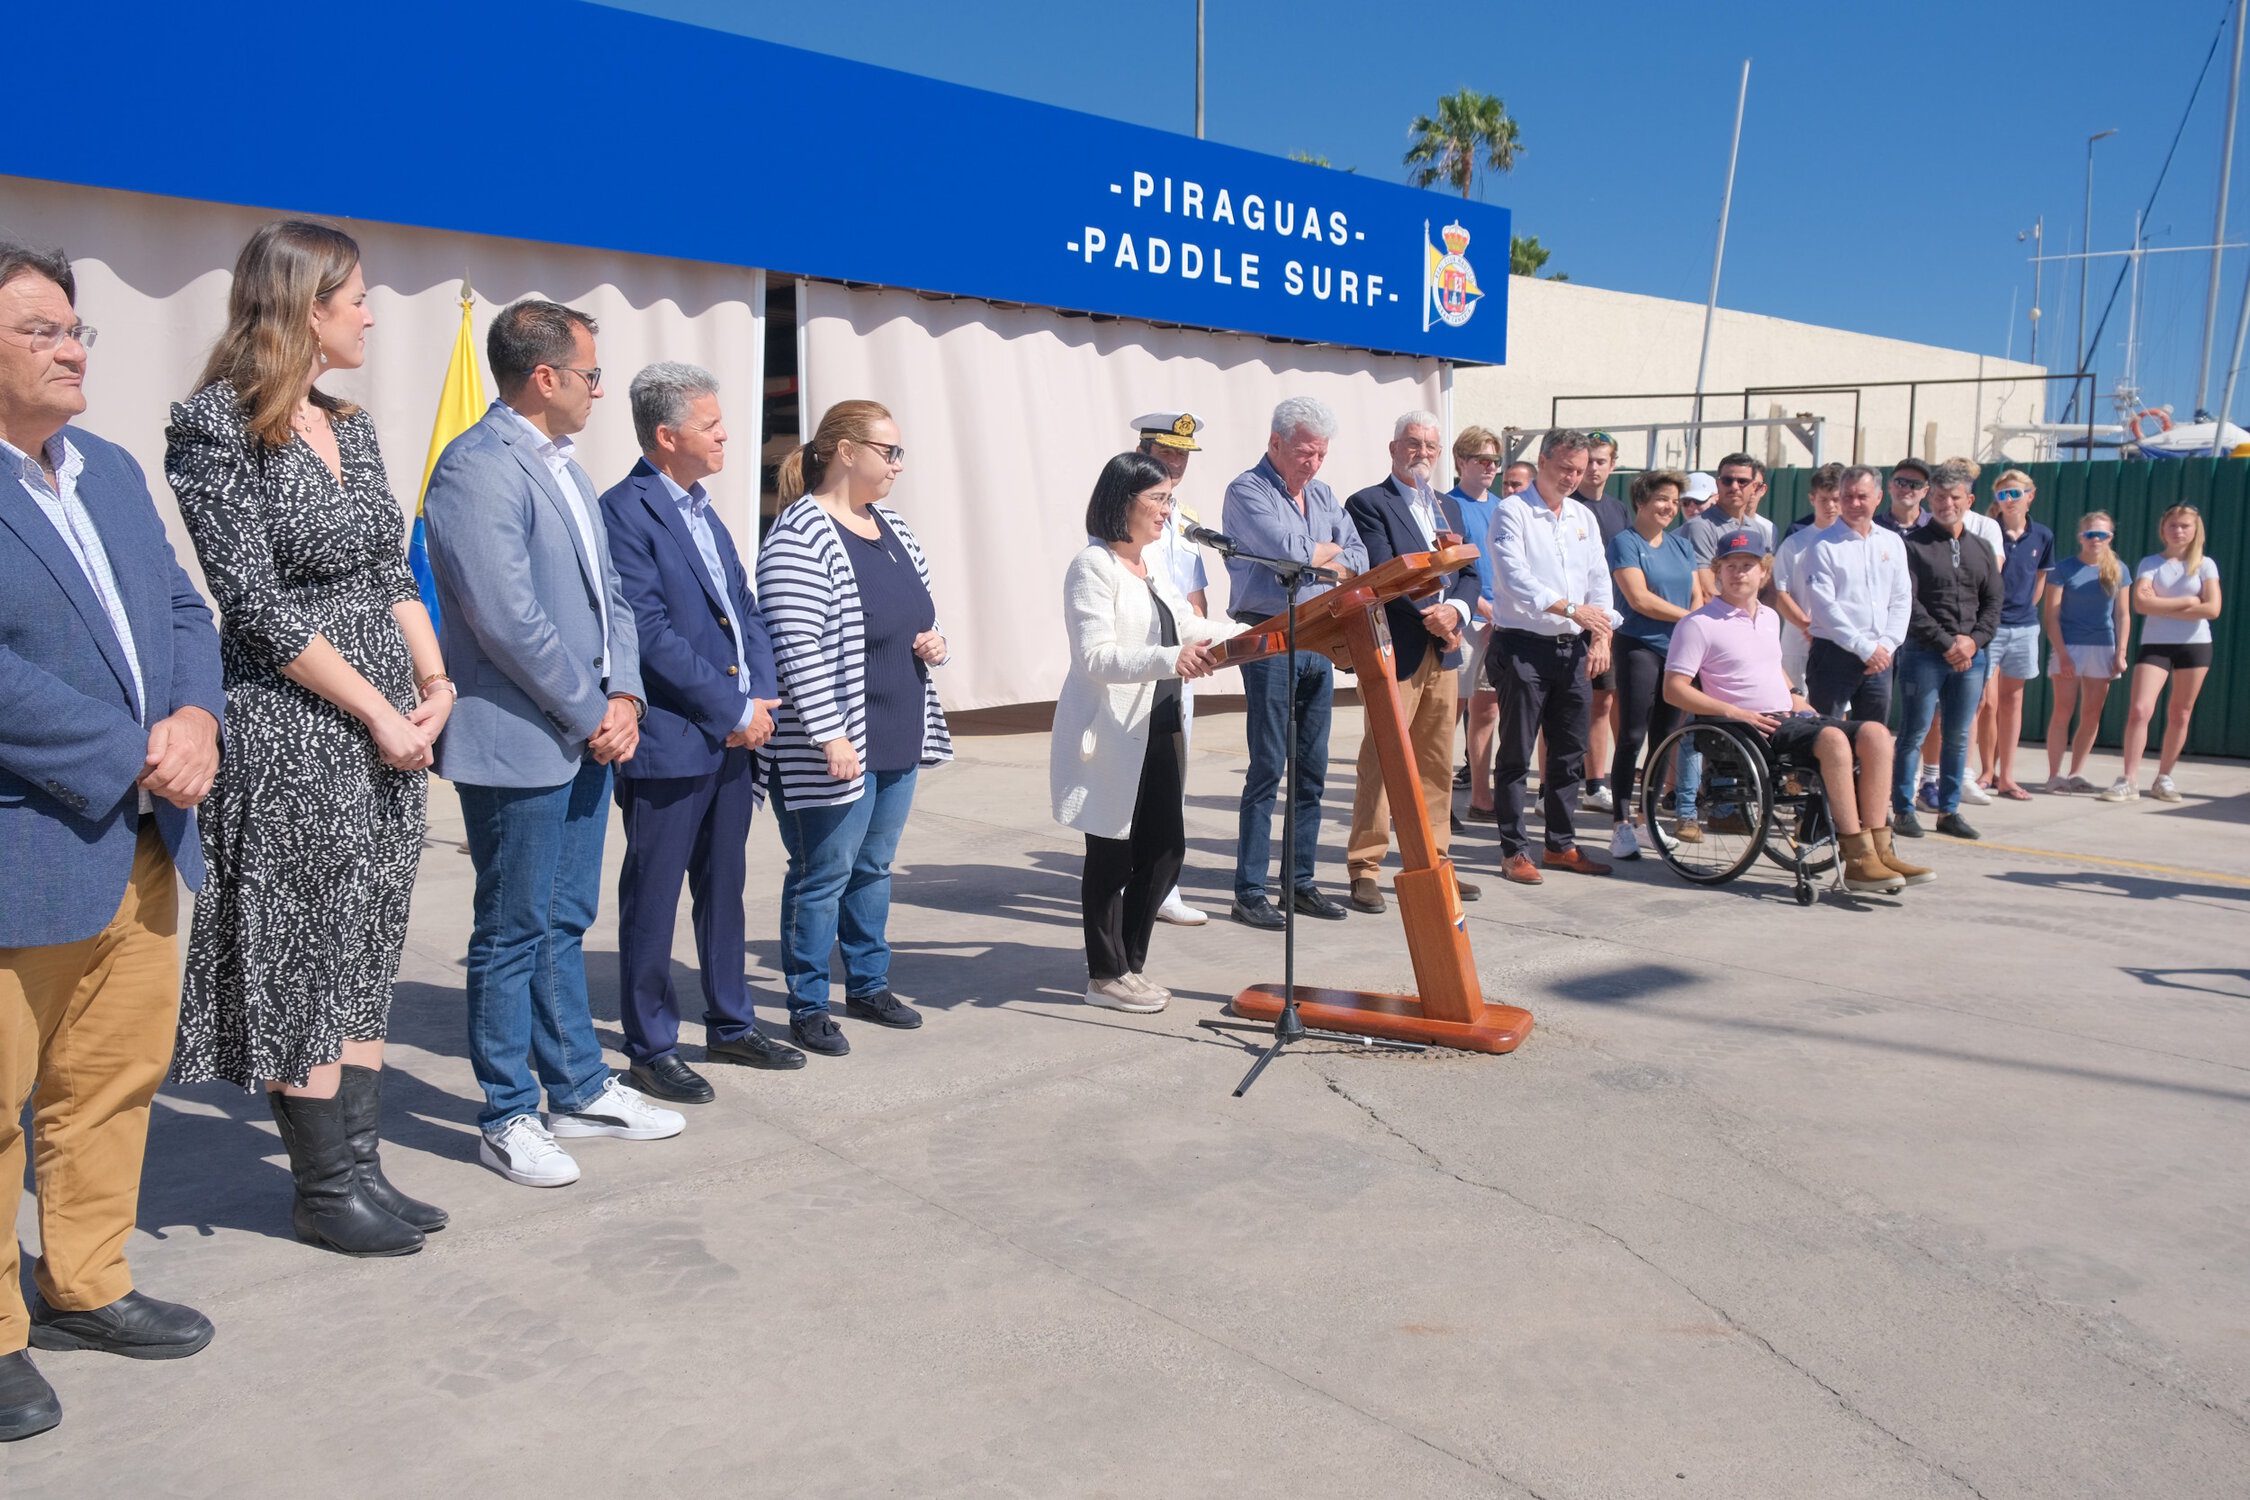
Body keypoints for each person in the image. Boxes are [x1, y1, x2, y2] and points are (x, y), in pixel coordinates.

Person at [166, 220, 448, 1255]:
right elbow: (254, 605)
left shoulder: (353, 424)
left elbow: (388, 573)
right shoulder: (216, 428)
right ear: (306, 303)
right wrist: (373, 710)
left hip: (389, 734)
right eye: (359, 296)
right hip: (295, 732)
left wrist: (432, 680)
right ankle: (325, 1190)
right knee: (303, 952)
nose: (373, 313)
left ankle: (364, 1169)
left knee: (368, 940)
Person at [0, 240, 225, 1442]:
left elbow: (187, 608)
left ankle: (85, 1282)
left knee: (108, 1080)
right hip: (22, 840)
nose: (73, 346)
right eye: (41, 329)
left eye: (76, 328)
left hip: (141, 837)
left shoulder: (112, 471)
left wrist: (194, 716)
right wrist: (134, 746)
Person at [425, 299, 677, 1191]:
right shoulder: (476, 469)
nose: (600, 390)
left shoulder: (564, 467)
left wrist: (627, 694)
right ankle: (505, 1112)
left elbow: (611, 593)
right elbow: (506, 619)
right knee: (511, 929)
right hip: (522, 740)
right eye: (592, 374)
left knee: (565, 919)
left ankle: (575, 1087)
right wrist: (590, 710)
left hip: (586, 732)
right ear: (545, 377)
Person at [598, 364, 798, 1106]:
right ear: (666, 434)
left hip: (732, 732)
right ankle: (650, 1043)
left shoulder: (705, 509)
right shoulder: (625, 511)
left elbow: (742, 605)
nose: (724, 435)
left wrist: (763, 691)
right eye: (711, 425)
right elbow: (646, 632)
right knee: (653, 894)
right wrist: (731, 707)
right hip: (674, 737)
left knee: (726, 886)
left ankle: (730, 1020)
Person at [757, 400, 952, 1055]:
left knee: (874, 867)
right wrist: (829, 733)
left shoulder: (892, 526)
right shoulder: (799, 534)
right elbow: (795, 645)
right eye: (887, 451)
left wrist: (935, 642)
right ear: (845, 451)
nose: (898, 464)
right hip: (836, 744)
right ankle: (808, 1003)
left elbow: (921, 611)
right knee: (822, 873)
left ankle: (867, 984)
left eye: (900, 452)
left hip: (897, 728)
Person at [1052, 453, 1244, 1011]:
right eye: (1158, 498)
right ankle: (1104, 974)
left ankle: (1130, 964)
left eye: (1168, 499)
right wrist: (1171, 658)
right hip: (1113, 730)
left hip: (1157, 727)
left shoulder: (1147, 563)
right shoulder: (1093, 567)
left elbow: (1188, 626)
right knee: (1111, 856)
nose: (1168, 509)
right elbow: (1095, 657)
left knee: (1164, 851)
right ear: (1123, 501)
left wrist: (1257, 634)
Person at [1663, 529, 1929, 895]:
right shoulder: (1698, 624)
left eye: (1748, 565)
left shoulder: (1770, 617)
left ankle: (1881, 849)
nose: (1739, 572)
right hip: (1745, 727)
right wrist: (1734, 711)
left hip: (1788, 715)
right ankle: (1856, 858)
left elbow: (1770, 665)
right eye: (1731, 566)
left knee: (1876, 735)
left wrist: (1794, 694)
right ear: (1717, 572)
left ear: (1764, 572)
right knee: (1834, 739)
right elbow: (1673, 689)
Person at [1221, 396, 1368, 928]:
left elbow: (1360, 558)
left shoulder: (1325, 494)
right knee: (1267, 766)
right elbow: (1288, 552)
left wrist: (1319, 551)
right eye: (1305, 452)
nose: (1313, 464)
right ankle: (1249, 889)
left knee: (1312, 770)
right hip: (1268, 636)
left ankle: (1299, 882)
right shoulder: (1246, 490)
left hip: (1318, 638)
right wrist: (1320, 551)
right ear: (1276, 443)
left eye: (1321, 454)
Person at [1343, 411, 1482, 911]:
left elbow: (1470, 572)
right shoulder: (1369, 503)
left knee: (1435, 762)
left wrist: (1458, 611)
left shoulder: (1449, 507)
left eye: (1430, 446)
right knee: (1382, 759)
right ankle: (1365, 866)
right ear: (1393, 448)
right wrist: (1433, 614)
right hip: (1398, 646)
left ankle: (1434, 859)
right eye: (1412, 444)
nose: (1421, 453)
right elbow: (1384, 573)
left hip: (1444, 650)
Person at [1485, 428, 1618, 884]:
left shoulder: (1582, 515)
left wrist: (1601, 636)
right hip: (1524, 646)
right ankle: (1513, 850)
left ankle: (1561, 845)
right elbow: (1514, 577)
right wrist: (1570, 608)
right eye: (1564, 468)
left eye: (1579, 471)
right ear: (1542, 461)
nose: (1572, 478)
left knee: (1567, 756)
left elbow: (1600, 579)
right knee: (1517, 754)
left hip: (1573, 649)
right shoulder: (1512, 511)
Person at [1130, 411, 1214, 927]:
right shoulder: (1124, 510)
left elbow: (1194, 589)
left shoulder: (1184, 518)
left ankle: (1164, 887)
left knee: (1171, 777)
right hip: (1141, 659)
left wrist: (1203, 637)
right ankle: (1127, 879)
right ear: (1143, 451)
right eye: (1166, 453)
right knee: (1130, 776)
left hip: (1181, 661)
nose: (1176, 463)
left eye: (1182, 455)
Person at [1889, 462, 2000, 840]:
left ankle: (1949, 810)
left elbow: (1993, 603)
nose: (1946, 503)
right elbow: (1910, 604)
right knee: (1914, 733)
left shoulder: (1981, 548)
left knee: (1958, 735)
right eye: (1939, 496)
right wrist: (1947, 643)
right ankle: (1903, 809)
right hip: (1923, 654)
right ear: (1929, 498)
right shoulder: (1913, 546)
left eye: (1954, 497)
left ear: (1969, 500)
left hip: (1971, 657)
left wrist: (1973, 641)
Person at [1603, 469, 1700, 860]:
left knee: (1665, 737)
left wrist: (1693, 624)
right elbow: (1639, 600)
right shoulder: (1624, 543)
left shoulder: (1681, 546)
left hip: (1679, 651)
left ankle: (1647, 820)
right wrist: (1689, 619)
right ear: (1640, 501)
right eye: (1662, 499)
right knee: (1632, 735)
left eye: (1675, 502)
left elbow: (1697, 593)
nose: (1669, 508)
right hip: (1638, 647)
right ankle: (1621, 825)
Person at [2109, 505, 2223, 802]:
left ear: (2196, 530)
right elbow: (2142, 605)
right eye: (2173, 525)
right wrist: (2188, 600)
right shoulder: (2150, 563)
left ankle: (2164, 778)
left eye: (2185, 526)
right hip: (2155, 645)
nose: (2179, 531)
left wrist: (2164, 604)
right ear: (2163, 529)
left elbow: (2212, 609)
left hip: (2195, 646)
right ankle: (2129, 779)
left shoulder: (2206, 565)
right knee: (2140, 710)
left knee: (2180, 712)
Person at [1798, 464, 1909, 722]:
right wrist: (1864, 648)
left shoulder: (1892, 542)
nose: (1854, 503)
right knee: (1829, 736)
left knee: (1873, 737)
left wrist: (1887, 646)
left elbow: (1902, 598)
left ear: (1879, 498)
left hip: (1881, 657)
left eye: (1862, 496)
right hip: (1834, 655)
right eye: (1847, 496)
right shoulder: (1822, 545)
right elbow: (1825, 607)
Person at [2039, 511, 2131, 793]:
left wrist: (2120, 652)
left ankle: (2076, 772)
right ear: (2081, 537)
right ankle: (2055, 775)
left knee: (2091, 713)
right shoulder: (2064, 569)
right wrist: (2062, 653)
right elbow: (2051, 616)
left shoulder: (2119, 570)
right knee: (2062, 710)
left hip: (2103, 647)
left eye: (2102, 534)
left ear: (2110, 538)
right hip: (2069, 646)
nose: (2096, 539)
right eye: (2091, 534)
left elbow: (2123, 615)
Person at [1461, 455, 1531, 823]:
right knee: (1453, 713)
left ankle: (1485, 797)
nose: (1492, 470)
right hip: (1469, 620)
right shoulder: (1451, 504)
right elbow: (1457, 568)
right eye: (1482, 460)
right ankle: (1469, 795)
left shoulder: (1514, 513)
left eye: (1495, 462)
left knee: (1491, 709)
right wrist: (1484, 606)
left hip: (1506, 623)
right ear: (1461, 461)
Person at [1983, 470, 2052, 800]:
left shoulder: (2043, 536)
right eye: (2003, 494)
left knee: (2012, 701)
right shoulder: (1985, 532)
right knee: (1985, 701)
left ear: (2030, 495)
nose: (2009, 500)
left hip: (2024, 627)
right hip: (1989, 627)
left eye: (2016, 493)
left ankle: (2007, 777)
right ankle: (1985, 771)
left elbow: (2040, 578)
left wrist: (2027, 608)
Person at [1576, 432, 1630, 815]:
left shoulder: (1619, 510)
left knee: (1606, 700)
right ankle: (1556, 786)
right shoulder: (1567, 505)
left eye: (1601, 461)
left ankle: (1599, 781)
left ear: (1613, 465)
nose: (1594, 468)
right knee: (1568, 706)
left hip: (1609, 623)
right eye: (1588, 460)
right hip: (1571, 621)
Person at [1772, 464, 1843, 693]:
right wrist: (1808, 626)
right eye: (1824, 499)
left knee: (1836, 712)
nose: (1830, 506)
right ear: (1812, 499)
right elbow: (1780, 593)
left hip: (1841, 642)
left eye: (1836, 498)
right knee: (1797, 708)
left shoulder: (1852, 542)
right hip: (1799, 645)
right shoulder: (1794, 543)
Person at [1678, 453, 1775, 594]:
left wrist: (1761, 613)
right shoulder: (1700, 526)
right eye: (1727, 481)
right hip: (1716, 614)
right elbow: (1705, 589)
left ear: (1754, 487)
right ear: (1718, 484)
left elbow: (1766, 585)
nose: (1734, 487)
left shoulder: (1759, 529)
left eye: (1742, 481)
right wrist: (1737, 615)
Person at [1873, 457, 1930, 535]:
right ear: (1890, 486)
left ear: (1925, 491)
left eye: (1915, 484)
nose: (1906, 489)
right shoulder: (1872, 527)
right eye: (1900, 482)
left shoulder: (1936, 527)